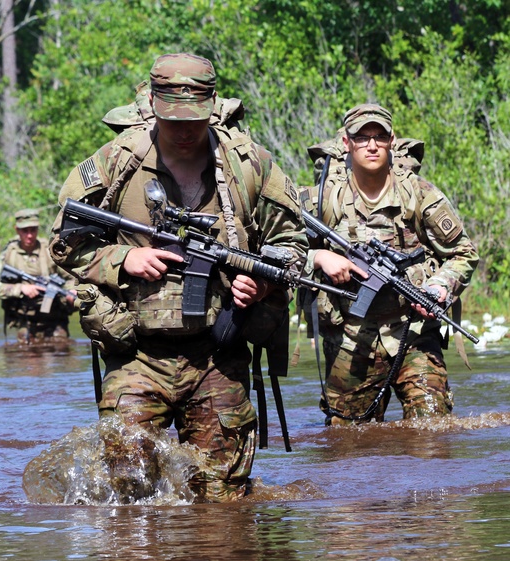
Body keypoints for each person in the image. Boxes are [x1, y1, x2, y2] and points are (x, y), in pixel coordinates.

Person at [49, 53, 307, 502]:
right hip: (135, 354)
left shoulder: (249, 164)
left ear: (213, 104)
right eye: (173, 120)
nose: (186, 130)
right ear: (152, 103)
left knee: (223, 502)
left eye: (196, 119)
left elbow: (292, 241)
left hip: (218, 353)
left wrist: (263, 281)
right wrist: (121, 260)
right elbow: (65, 241)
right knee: (123, 496)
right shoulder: (116, 162)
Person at [305, 103, 478, 425]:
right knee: (347, 441)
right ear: (347, 143)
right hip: (350, 338)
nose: (371, 145)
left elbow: (463, 253)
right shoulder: (321, 199)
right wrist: (318, 256)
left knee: (433, 431)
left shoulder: (419, 194)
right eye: (362, 137)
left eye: (380, 136)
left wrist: (439, 286)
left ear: (391, 141)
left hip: (413, 331)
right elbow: (277, 249)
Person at [0, 209, 76, 344]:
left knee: (62, 353)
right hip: (25, 321)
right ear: (17, 230)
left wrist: (71, 290)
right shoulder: (8, 255)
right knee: (26, 356)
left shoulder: (50, 250)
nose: (29, 235)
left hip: (55, 320)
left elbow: (71, 277)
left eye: (33, 230)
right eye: (25, 231)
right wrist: (21, 288)